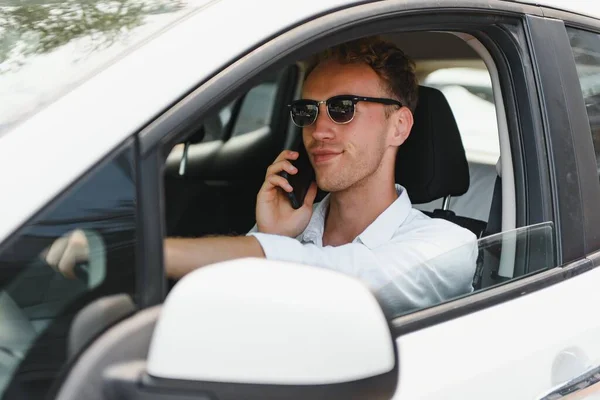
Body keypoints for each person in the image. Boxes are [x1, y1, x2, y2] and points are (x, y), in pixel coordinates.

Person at [45, 36, 478, 316]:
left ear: (399, 127)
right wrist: (274, 233)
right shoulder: (292, 229)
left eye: (343, 109)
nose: (319, 130)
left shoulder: (445, 247)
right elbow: (224, 311)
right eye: (307, 111)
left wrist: (131, 252)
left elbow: (339, 278)